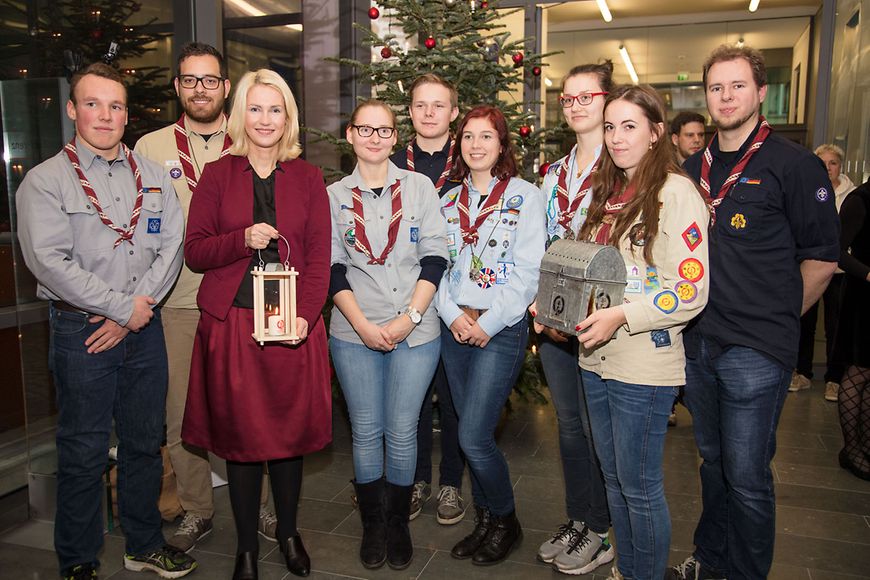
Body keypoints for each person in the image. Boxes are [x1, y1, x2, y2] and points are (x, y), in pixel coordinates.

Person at [16, 62, 195, 579]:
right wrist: (121, 310)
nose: (105, 115)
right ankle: (77, 558)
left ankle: (143, 544)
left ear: (126, 113)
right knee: (83, 449)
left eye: (115, 105)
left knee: (144, 443)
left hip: (144, 330)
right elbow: (49, 261)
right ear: (73, 109)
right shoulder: (46, 181)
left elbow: (172, 246)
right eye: (92, 103)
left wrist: (136, 310)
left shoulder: (155, 176)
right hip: (82, 333)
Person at [670, 44, 840, 580]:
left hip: (756, 349)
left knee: (746, 475)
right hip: (697, 341)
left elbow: (821, 259)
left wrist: (779, 320)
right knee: (714, 464)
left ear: (761, 93)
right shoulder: (691, 169)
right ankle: (712, 557)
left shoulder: (793, 165)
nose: (726, 97)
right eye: (716, 87)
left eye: (737, 86)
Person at [182, 69, 332, 580]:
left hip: (291, 330)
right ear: (240, 114)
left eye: (275, 109)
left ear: (287, 117)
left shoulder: (310, 180)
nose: (265, 119)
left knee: (287, 441)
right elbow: (196, 251)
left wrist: (306, 320)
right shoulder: (216, 175)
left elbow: (318, 261)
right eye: (255, 108)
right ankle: (247, 546)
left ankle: (288, 533)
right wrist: (241, 238)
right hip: (233, 328)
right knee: (242, 443)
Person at [135, 41, 280, 552]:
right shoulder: (149, 149)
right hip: (175, 300)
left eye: (211, 80)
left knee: (250, 407)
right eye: (190, 80)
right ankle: (198, 509)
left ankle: (260, 504)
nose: (201, 89)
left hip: (240, 297)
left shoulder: (248, 141)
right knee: (182, 413)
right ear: (177, 86)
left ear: (225, 86)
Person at [572, 85, 710, 580]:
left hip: (643, 365)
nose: (616, 137)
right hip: (595, 358)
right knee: (613, 479)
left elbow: (690, 291)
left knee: (640, 485)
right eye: (610, 126)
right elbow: (596, 272)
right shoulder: (606, 194)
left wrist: (623, 316)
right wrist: (558, 304)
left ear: (656, 133)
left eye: (629, 126)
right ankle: (626, 569)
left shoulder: (676, 193)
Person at [328, 99, 448, 570]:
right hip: (354, 328)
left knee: (401, 433)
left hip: (415, 331)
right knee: (365, 431)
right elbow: (332, 268)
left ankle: (397, 522)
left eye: (384, 131)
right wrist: (361, 325)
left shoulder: (419, 188)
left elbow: (436, 257)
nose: (375, 138)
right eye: (365, 129)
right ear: (350, 134)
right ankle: (373, 524)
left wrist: (408, 319)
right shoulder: (334, 195)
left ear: (395, 138)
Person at [435, 105, 545, 565]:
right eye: (468, 137)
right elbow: (435, 267)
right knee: (464, 429)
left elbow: (528, 272)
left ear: (501, 145)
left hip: (499, 328)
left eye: (486, 137)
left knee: (475, 435)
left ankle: (506, 518)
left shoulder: (524, 196)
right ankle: (484, 520)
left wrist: (488, 323)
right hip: (453, 325)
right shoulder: (445, 201)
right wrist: (452, 315)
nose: (476, 145)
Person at [533, 62, 614, 576]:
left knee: (594, 427)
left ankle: (603, 530)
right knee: (567, 426)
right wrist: (538, 307)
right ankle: (579, 518)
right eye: (568, 98)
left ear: (608, 100)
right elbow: (540, 247)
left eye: (587, 96)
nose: (577, 104)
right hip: (557, 318)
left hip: (603, 318)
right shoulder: (552, 175)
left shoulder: (623, 164)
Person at [389, 73, 468, 524]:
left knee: (453, 396)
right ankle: (417, 478)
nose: (429, 113)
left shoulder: (472, 158)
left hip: (457, 296)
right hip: (410, 297)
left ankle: (452, 484)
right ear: (411, 111)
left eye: (439, 105)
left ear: (453, 113)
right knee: (414, 397)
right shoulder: (395, 162)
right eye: (421, 105)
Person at [790, 143, 856, 400]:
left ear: (841, 166)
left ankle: (834, 378)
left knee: (835, 326)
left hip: (841, 273)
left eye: (833, 163)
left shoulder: (852, 195)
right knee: (805, 323)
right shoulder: (805, 190)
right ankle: (803, 372)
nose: (828, 168)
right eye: (823, 163)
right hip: (809, 266)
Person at [832, 179, 870, 480]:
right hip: (863, 300)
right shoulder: (860, 199)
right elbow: (837, 249)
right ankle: (852, 450)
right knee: (858, 373)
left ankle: (866, 444)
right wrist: (868, 273)